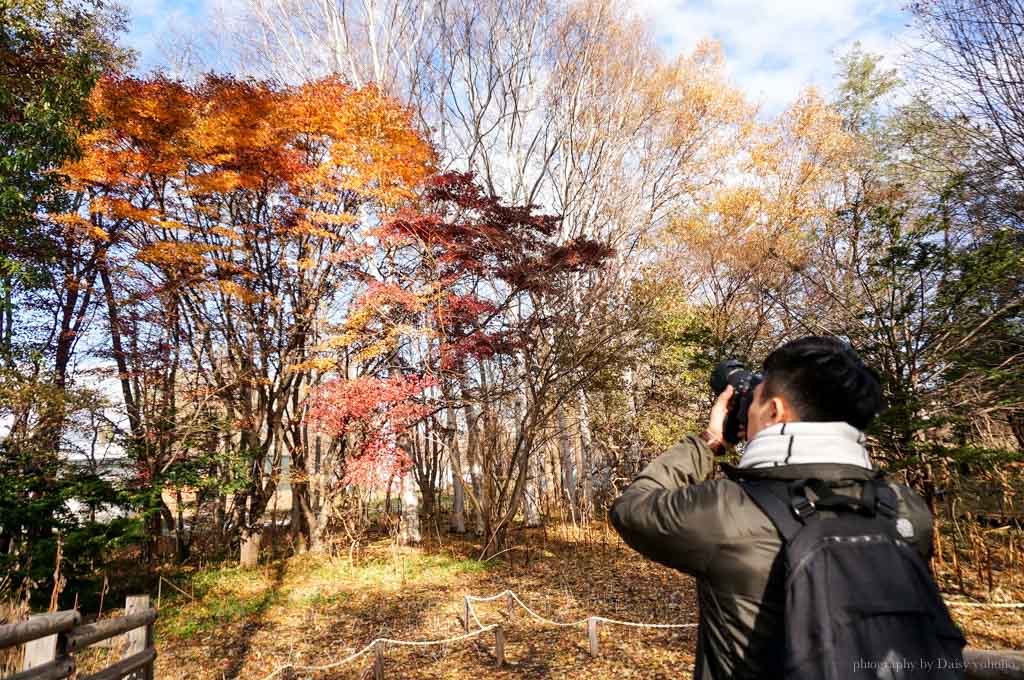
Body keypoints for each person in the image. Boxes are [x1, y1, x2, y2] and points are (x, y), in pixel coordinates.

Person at [609, 336, 944, 680]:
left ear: (774, 411)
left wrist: (710, 441)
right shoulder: (906, 510)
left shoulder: (728, 512)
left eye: (754, 401)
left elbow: (632, 508)